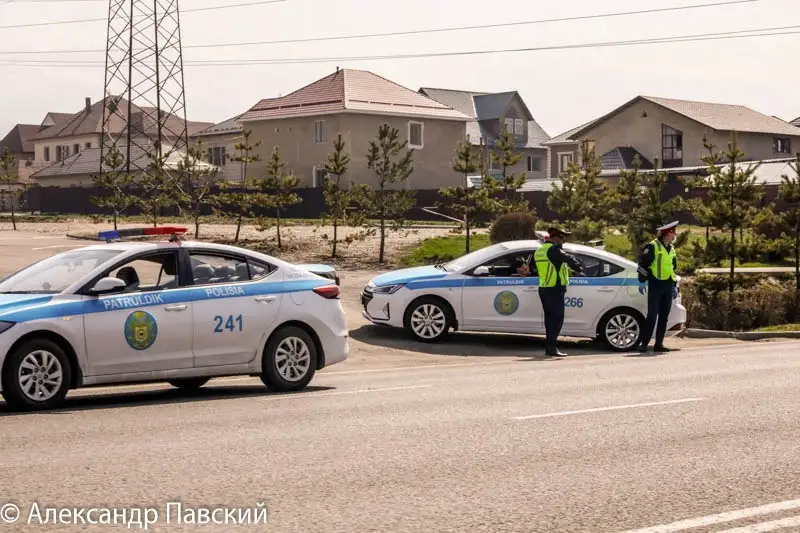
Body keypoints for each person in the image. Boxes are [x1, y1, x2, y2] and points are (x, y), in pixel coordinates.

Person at [534, 227, 584, 356]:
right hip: (554, 288)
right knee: (557, 319)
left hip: (544, 288)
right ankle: (551, 348)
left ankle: (550, 346)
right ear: (555, 238)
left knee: (549, 319)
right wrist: (580, 267)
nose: (563, 241)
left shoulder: (540, 251)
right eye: (562, 238)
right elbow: (570, 259)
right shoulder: (554, 250)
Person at [636, 220, 679, 353]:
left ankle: (658, 344)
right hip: (655, 284)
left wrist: (674, 286)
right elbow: (643, 264)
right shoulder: (653, 246)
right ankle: (644, 344)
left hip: (667, 285)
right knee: (652, 316)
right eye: (673, 233)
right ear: (666, 233)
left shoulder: (671, 249)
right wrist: (642, 281)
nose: (674, 235)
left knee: (664, 316)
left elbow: (673, 268)